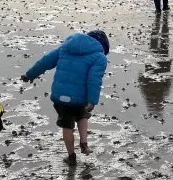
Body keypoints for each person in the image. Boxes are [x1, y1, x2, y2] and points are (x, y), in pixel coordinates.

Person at [21, 30, 110, 166]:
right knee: (82, 115)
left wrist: (30, 75)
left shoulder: (65, 48)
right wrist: (92, 100)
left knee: (67, 126)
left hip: (61, 97)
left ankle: (71, 156)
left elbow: (45, 62)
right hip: (80, 98)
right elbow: (94, 79)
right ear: (103, 46)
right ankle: (84, 143)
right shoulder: (99, 57)